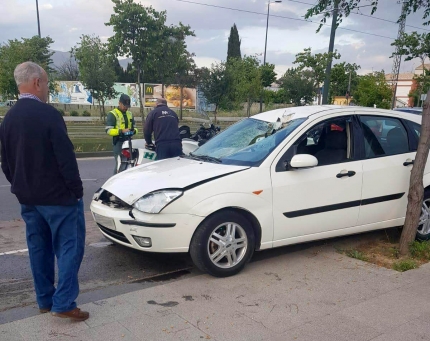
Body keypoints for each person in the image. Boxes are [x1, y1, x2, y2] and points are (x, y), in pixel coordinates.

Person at [0, 62, 88, 321]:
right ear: (37, 82)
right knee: (70, 248)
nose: (48, 88)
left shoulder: (9, 119)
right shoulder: (49, 115)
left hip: (29, 199)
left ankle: (45, 301)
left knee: (39, 248)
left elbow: (5, 162)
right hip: (59, 199)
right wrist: (77, 191)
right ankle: (64, 303)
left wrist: (20, 185)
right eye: (47, 83)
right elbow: (66, 159)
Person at [105, 94, 138, 174]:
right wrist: (121, 131)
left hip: (129, 142)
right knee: (119, 164)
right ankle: (114, 181)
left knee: (130, 164)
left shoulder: (130, 114)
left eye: (127, 106)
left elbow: (136, 128)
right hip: (118, 142)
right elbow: (108, 130)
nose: (126, 108)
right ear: (119, 103)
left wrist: (133, 131)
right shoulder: (112, 114)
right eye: (124, 105)